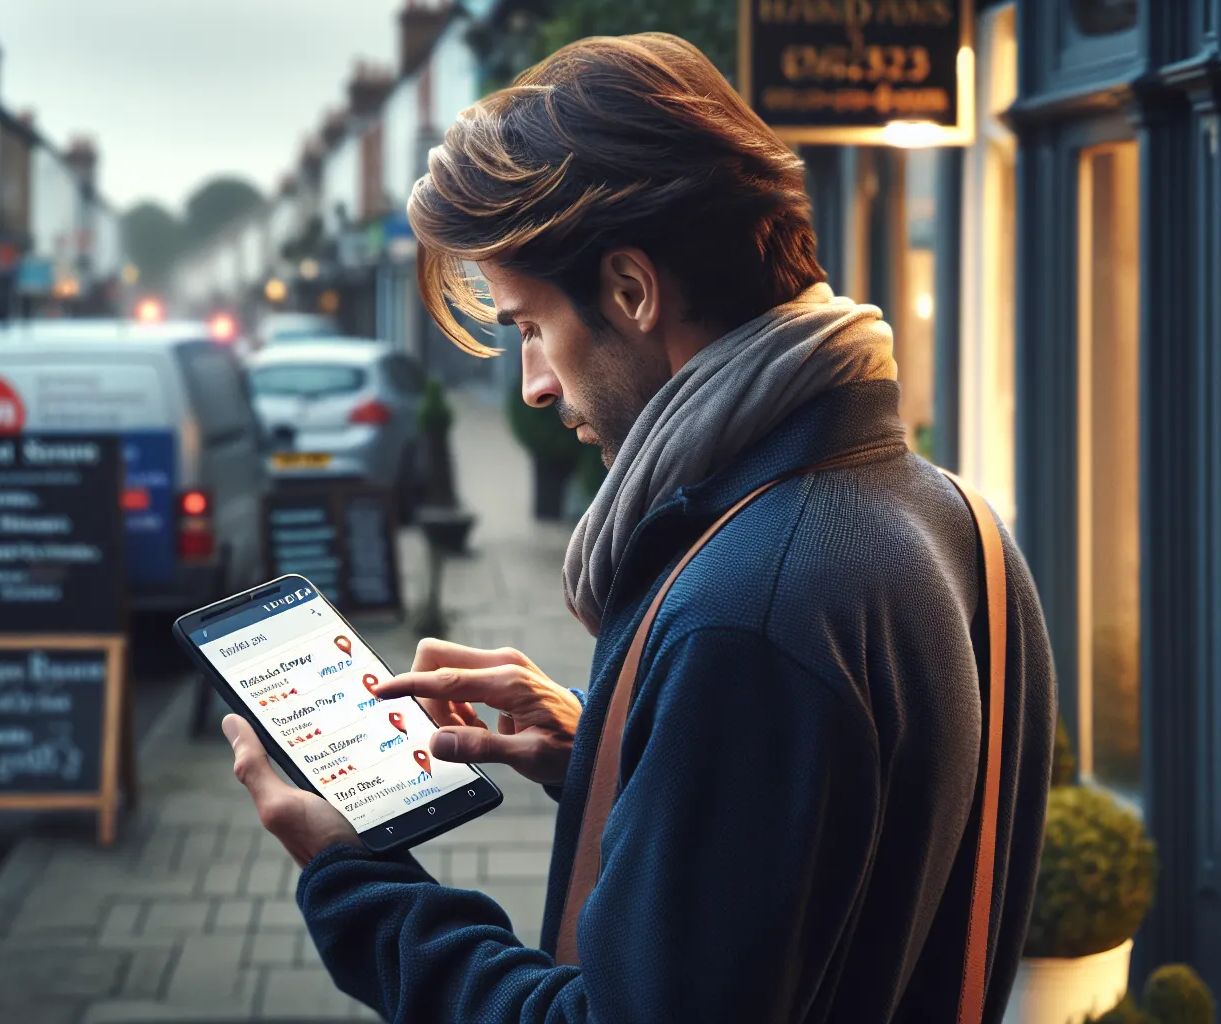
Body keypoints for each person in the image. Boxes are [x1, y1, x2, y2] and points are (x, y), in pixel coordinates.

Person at [219, 33, 1056, 1023]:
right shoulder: (955, 522)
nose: (533, 385)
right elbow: (822, 879)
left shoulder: (747, 611)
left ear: (631, 290)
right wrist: (614, 749)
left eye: (531, 326)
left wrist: (354, 880)